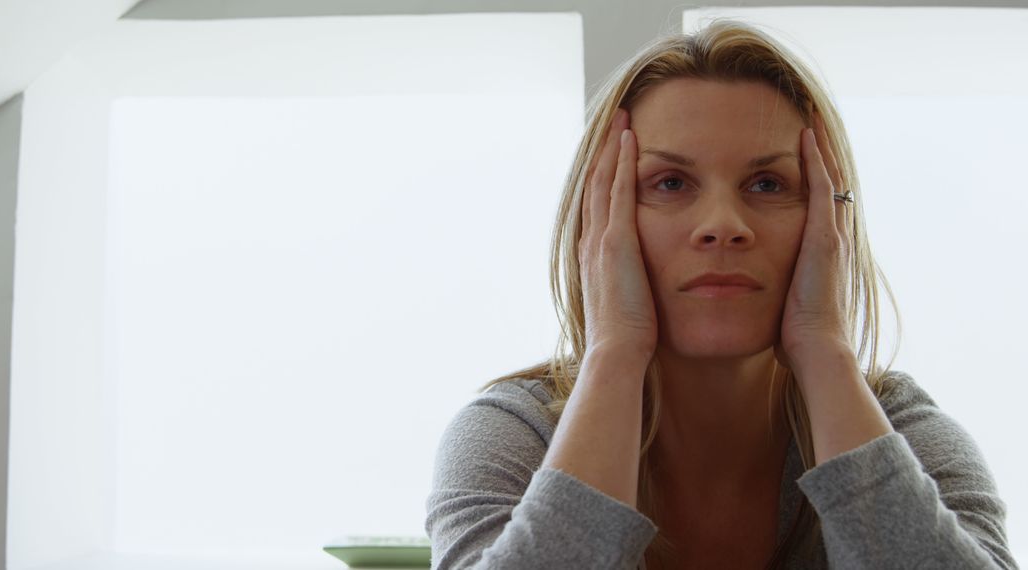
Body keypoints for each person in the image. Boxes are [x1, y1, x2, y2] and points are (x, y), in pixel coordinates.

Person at [423, 18, 1016, 570]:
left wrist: (824, 348)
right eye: (670, 182)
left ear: (828, 219)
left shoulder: (899, 430)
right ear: (597, 218)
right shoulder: (514, 434)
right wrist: (614, 352)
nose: (723, 223)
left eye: (768, 183)